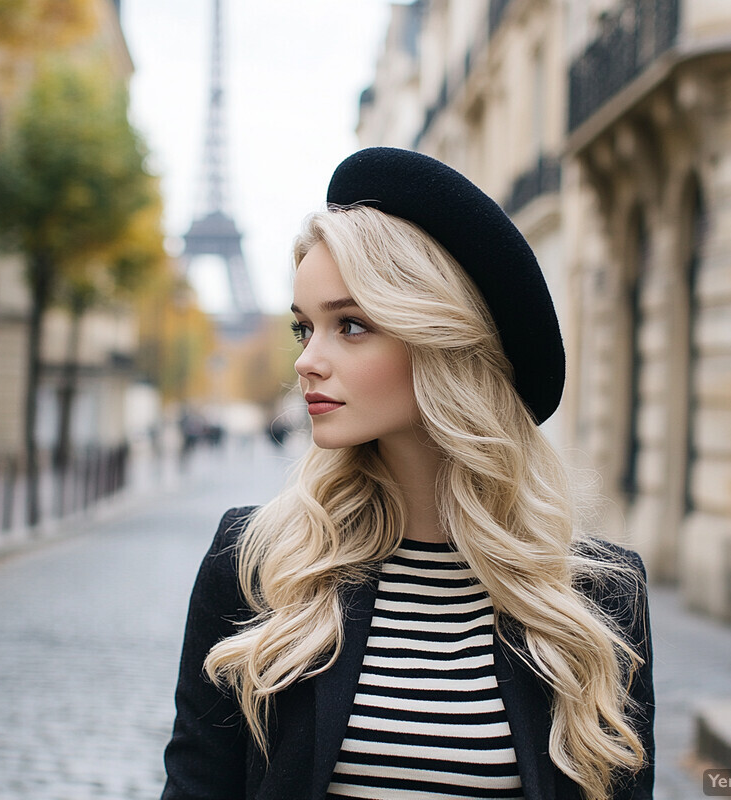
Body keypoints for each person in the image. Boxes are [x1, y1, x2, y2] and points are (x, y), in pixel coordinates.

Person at [161, 148, 654, 800]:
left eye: (351, 325)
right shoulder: (257, 566)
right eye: (304, 329)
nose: (308, 360)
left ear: (439, 340)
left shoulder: (597, 602)